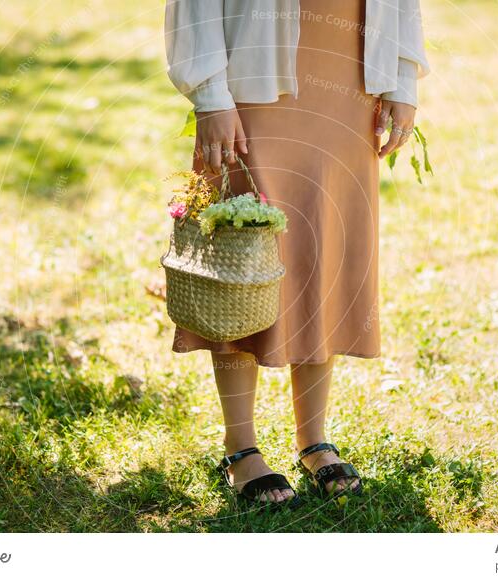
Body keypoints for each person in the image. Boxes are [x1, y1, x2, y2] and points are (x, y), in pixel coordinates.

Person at [164, 0, 430, 506]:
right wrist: (211, 97)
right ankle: (241, 446)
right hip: (253, 79)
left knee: (321, 252)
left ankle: (314, 439)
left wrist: (401, 80)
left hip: (352, 82)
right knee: (246, 264)